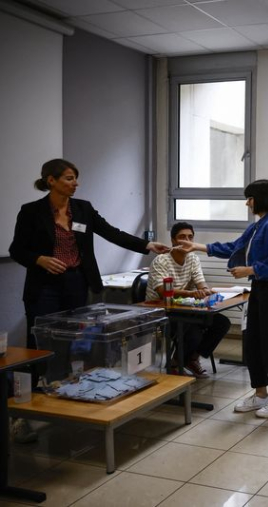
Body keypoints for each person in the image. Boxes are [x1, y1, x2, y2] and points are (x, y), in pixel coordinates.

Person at [9, 158, 169, 443]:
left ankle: (68, 396)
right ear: (51, 181)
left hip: (75, 282)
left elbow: (111, 232)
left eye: (75, 178)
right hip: (44, 286)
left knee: (73, 342)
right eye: (69, 178)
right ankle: (24, 414)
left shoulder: (82, 208)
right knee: (39, 345)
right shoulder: (32, 212)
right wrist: (39, 259)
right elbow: (17, 249)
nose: (75, 183)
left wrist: (146, 245)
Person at [178, 179, 268, 419]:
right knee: (252, 343)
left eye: (250, 198)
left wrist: (249, 270)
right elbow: (233, 247)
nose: (247, 203)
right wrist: (197, 246)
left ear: (261, 198)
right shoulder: (257, 226)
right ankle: (260, 393)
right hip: (259, 290)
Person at [145, 222, 231, 379]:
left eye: (190, 237)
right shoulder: (161, 261)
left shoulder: (193, 258)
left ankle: (191, 359)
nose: (186, 241)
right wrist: (190, 294)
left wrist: (205, 290)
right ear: (173, 241)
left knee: (221, 323)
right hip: (162, 312)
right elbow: (163, 292)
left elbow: (200, 282)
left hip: (185, 309)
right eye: (181, 237)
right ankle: (176, 363)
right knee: (194, 331)